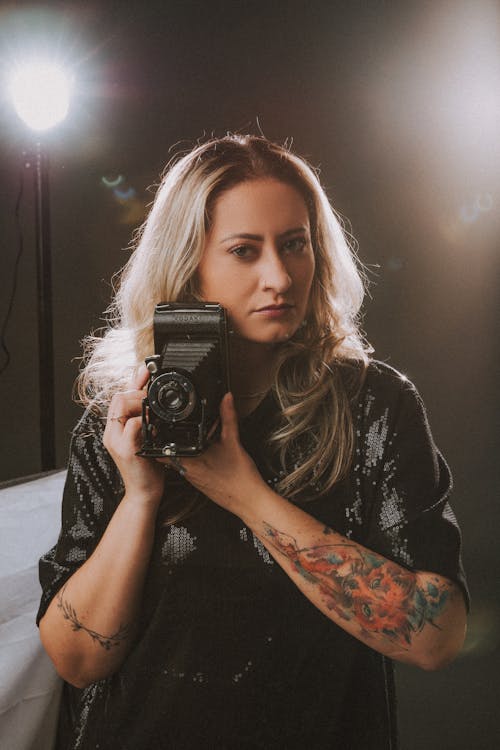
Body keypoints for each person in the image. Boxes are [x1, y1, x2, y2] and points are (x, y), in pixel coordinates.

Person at [37, 134, 468, 750]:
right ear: (189, 263)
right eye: (244, 251)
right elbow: (77, 662)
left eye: (295, 245)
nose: (280, 276)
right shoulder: (128, 412)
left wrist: (243, 493)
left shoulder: (374, 406)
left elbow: (436, 636)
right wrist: (139, 497)